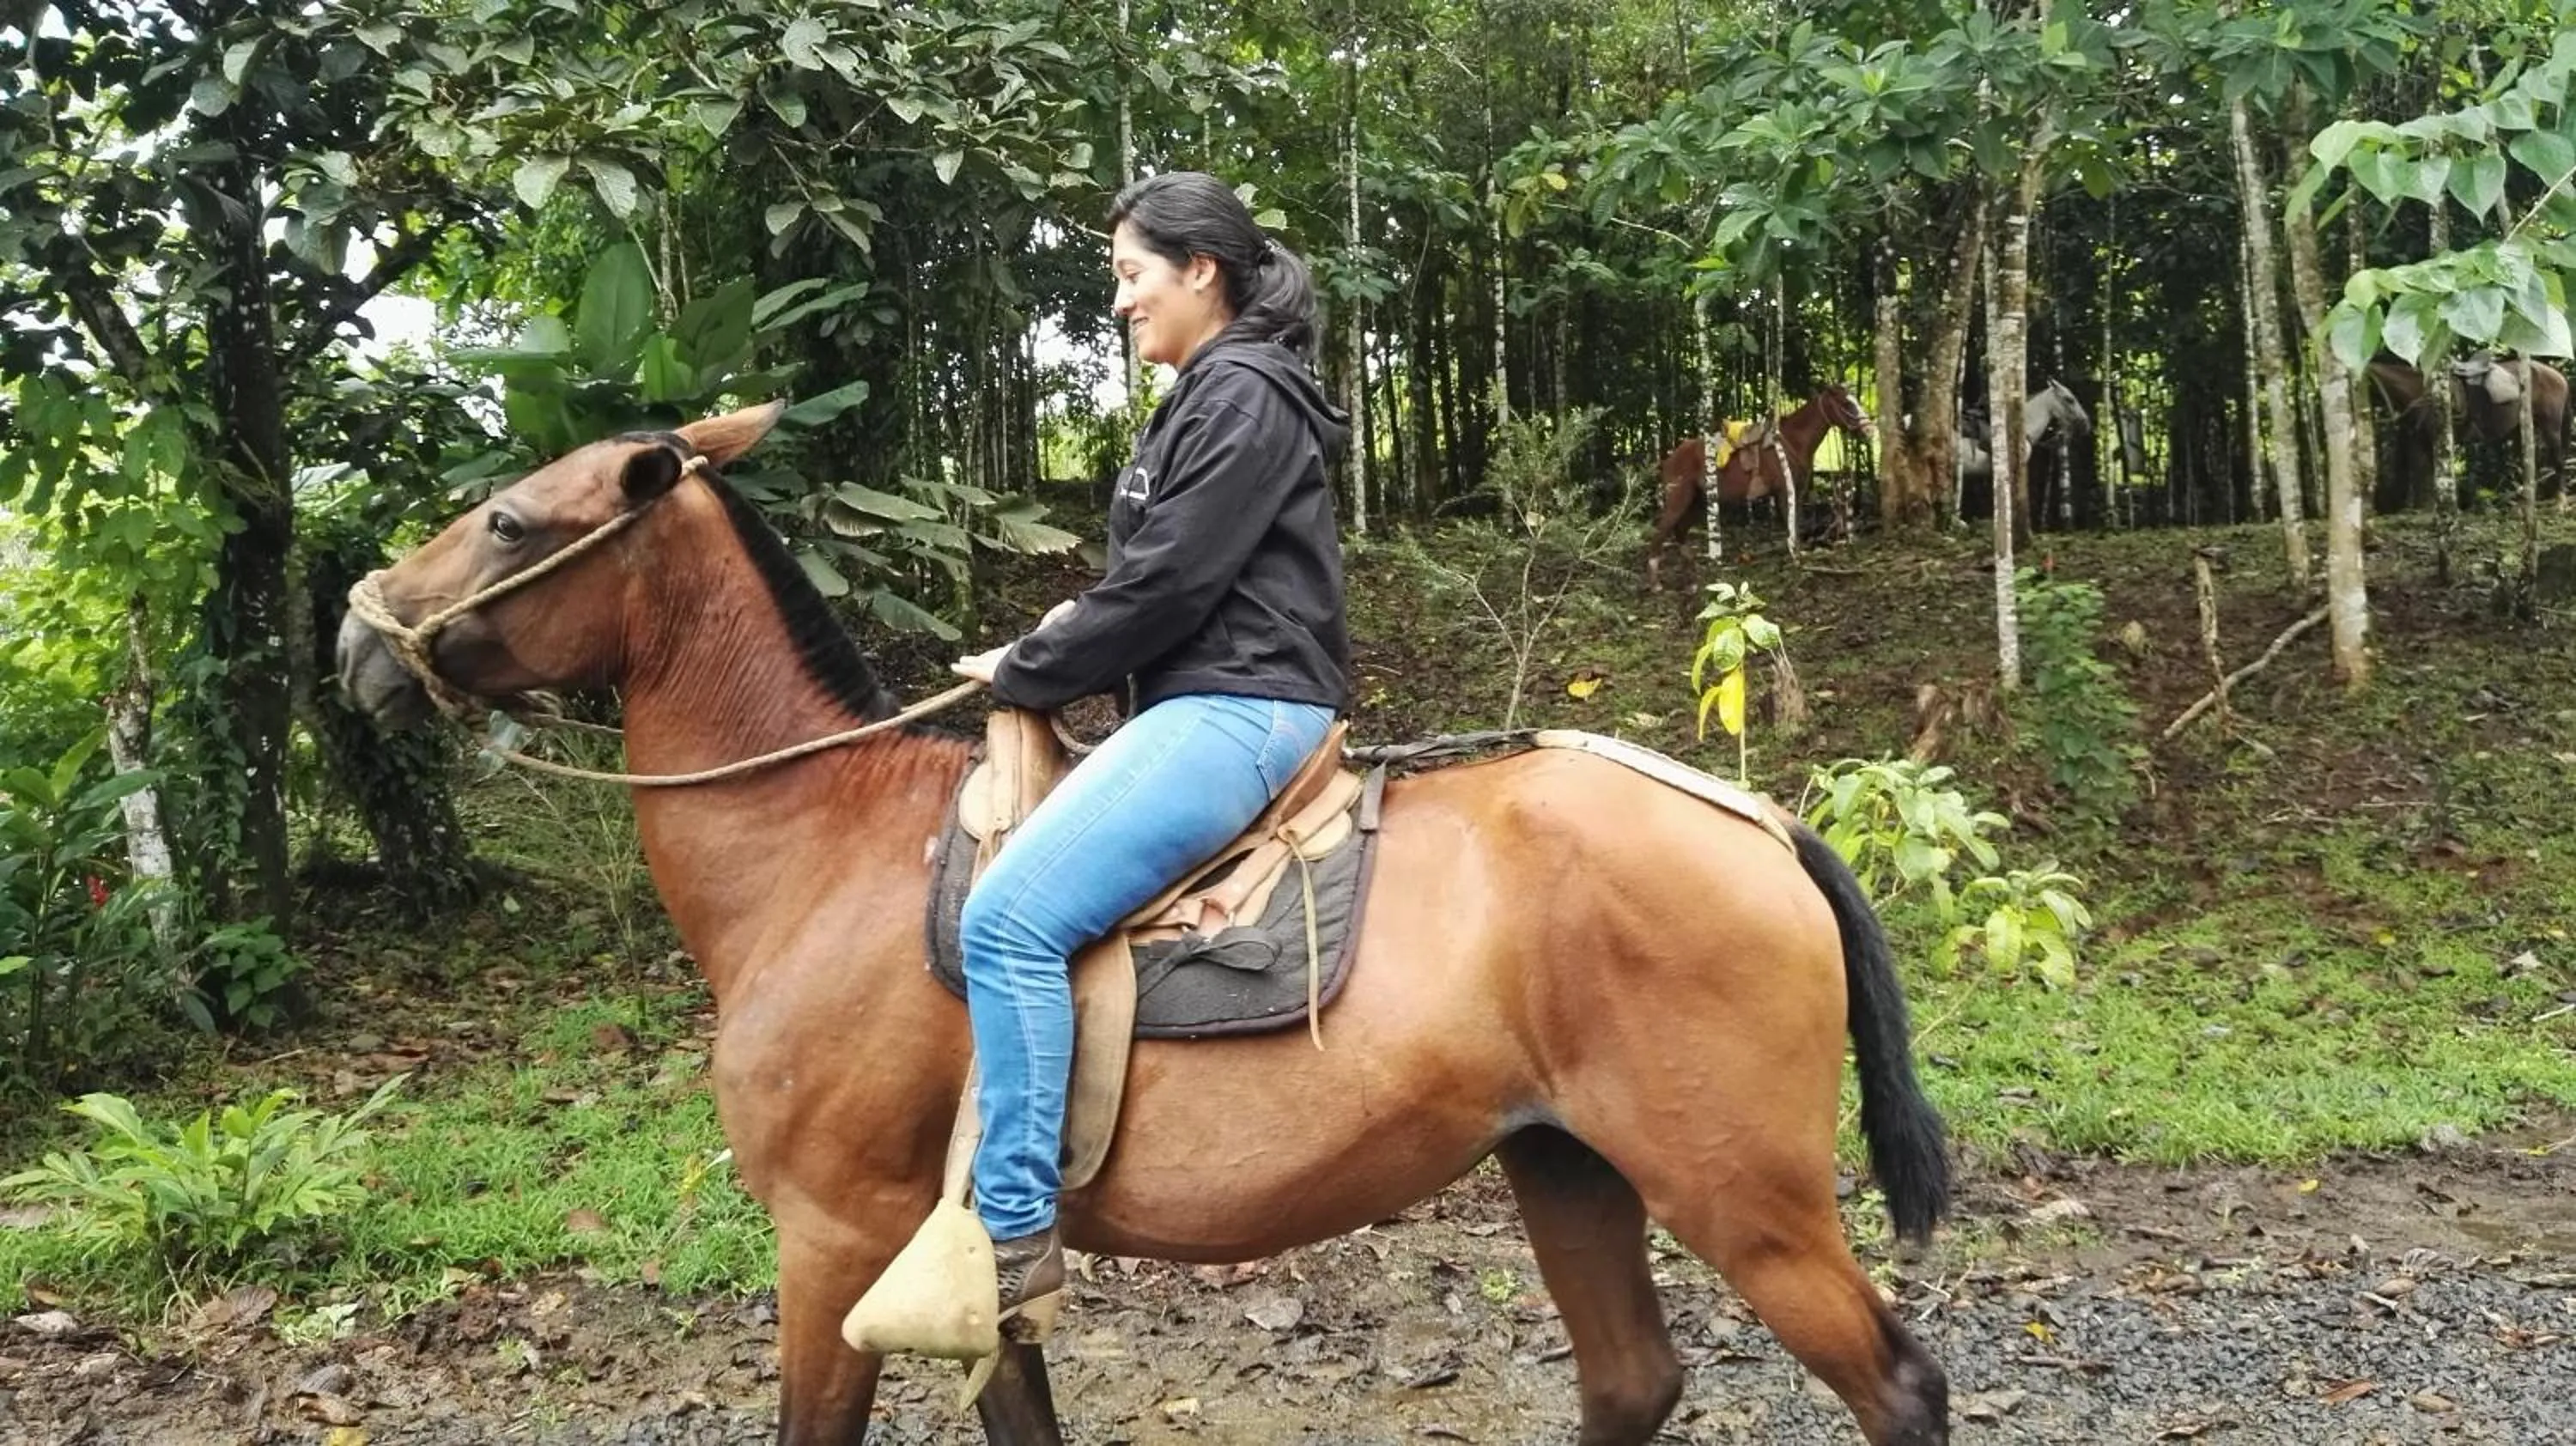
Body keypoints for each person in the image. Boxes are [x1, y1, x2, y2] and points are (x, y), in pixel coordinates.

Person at [947, 171, 1352, 1326]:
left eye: (1132, 276)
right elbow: (1149, 581)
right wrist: (1038, 648)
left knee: (1012, 918)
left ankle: (1012, 1234)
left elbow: (1170, 584)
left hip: (1239, 705)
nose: (1121, 302)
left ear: (1200, 272)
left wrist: (1032, 667)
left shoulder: (1241, 396)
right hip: (1210, 694)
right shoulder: (1217, 393)